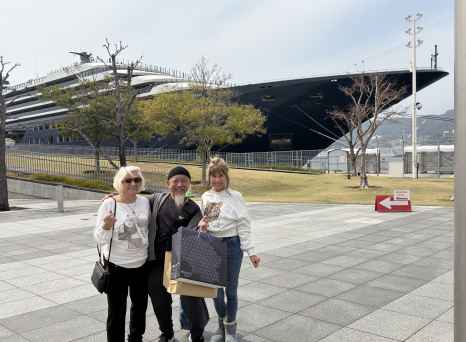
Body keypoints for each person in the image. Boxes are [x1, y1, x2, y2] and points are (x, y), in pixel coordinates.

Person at [198, 157, 260, 342]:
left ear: (226, 177)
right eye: (213, 176)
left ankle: (230, 328)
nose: (217, 180)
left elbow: (244, 225)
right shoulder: (206, 196)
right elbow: (208, 219)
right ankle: (221, 323)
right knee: (216, 291)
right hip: (212, 245)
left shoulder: (236, 197)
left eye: (220, 175)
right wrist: (204, 225)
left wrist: (251, 252)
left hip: (232, 245)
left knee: (231, 290)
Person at [148, 166, 209, 342]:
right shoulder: (156, 200)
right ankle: (167, 333)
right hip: (158, 259)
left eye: (184, 181)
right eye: (176, 181)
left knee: (192, 298)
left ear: (189, 184)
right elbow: (133, 200)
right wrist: (114, 196)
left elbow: (195, 232)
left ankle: (197, 333)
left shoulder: (194, 208)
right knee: (159, 298)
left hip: (183, 259)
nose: (180, 184)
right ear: (168, 184)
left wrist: (202, 229)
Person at [94, 166, 150, 342]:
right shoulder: (109, 204)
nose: (133, 183)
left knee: (140, 307)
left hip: (141, 265)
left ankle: (136, 337)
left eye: (137, 180)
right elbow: (98, 237)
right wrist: (106, 226)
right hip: (117, 266)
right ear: (119, 182)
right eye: (128, 180)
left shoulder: (145, 201)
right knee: (117, 311)